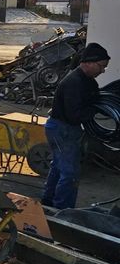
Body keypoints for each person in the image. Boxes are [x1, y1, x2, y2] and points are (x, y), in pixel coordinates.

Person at [42, 42, 110, 209]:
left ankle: (48, 202)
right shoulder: (75, 83)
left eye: (104, 68)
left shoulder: (88, 82)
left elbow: (93, 100)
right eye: (101, 66)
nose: (102, 71)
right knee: (70, 173)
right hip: (61, 129)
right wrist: (95, 111)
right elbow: (75, 115)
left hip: (65, 129)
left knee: (58, 167)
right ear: (88, 62)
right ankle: (63, 210)